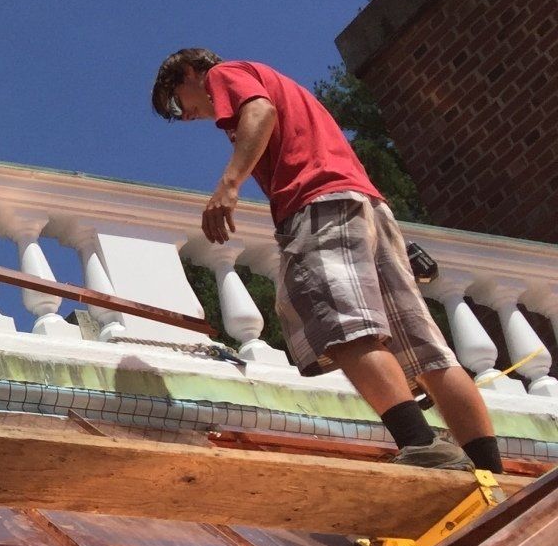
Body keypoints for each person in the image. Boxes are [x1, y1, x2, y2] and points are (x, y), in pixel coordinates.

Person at [152, 48, 498, 473]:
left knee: (343, 327)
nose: (184, 116)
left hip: (317, 204)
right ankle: (490, 472)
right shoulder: (287, 88)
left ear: (189, 72)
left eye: (175, 102)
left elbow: (258, 111)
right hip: (365, 206)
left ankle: (421, 442)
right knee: (427, 354)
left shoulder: (225, 75)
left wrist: (229, 185)